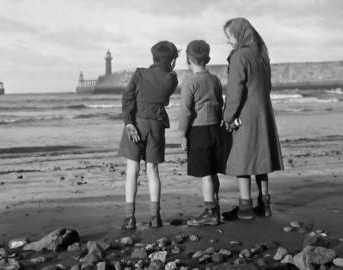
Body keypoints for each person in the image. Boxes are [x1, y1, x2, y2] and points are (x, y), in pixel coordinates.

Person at [222, 18, 284, 219]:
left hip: (245, 113)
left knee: (242, 159)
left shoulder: (240, 56)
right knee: (261, 160)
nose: (228, 41)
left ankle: (245, 207)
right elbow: (268, 87)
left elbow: (235, 91)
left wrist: (228, 117)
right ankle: (264, 204)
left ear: (239, 35)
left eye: (229, 37)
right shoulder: (261, 55)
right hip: (263, 112)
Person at [118, 41, 179, 230]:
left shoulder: (140, 73)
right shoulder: (172, 78)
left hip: (136, 123)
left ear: (153, 57)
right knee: (152, 171)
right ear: (172, 60)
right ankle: (155, 217)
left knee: (132, 171)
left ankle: (130, 217)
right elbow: (164, 99)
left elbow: (127, 97)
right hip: (156, 126)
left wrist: (128, 122)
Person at [178, 40, 224, 226]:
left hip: (199, 130)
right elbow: (220, 103)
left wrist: (182, 134)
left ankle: (210, 212)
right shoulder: (214, 80)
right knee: (213, 172)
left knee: (205, 174)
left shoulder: (190, 82)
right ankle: (216, 207)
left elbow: (186, 111)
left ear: (188, 59)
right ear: (208, 58)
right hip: (215, 128)